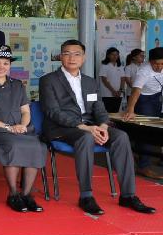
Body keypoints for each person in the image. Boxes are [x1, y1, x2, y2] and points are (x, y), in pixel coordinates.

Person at [39, 39, 155, 215]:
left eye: (77, 54)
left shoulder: (90, 82)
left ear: (83, 58)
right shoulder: (48, 80)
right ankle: (86, 196)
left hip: (91, 126)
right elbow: (53, 112)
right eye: (67, 53)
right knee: (85, 137)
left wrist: (102, 126)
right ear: (60, 57)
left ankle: (128, 195)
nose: (72, 58)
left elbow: (99, 108)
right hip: (62, 128)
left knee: (121, 136)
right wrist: (85, 128)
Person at [0, 46, 46, 213]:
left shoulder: (18, 85)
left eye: (6, 63)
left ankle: (26, 195)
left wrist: (23, 126)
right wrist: (7, 127)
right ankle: (13, 194)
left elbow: (26, 111)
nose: (1, 67)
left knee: (37, 145)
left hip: (20, 129)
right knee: (13, 145)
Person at [122, 47, 163, 179]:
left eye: (162, 63)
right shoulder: (144, 72)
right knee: (148, 132)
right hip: (144, 99)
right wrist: (130, 110)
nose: (159, 67)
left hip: (157, 96)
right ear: (150, 62)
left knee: (155, 130)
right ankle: (143, 166)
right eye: (156, 63)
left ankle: (147, 157)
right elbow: (136, 91)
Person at [98, 47, 124, 113]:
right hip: (107, 94)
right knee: (107, 113)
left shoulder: (120, 66)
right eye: (113, 54)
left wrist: (120, 90)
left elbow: (123, 79)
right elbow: (104, 80)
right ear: (108, 55)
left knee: (116, 112)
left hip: (118, 94)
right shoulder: (104, 65)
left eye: (116, 54)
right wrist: (113, 91)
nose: (115, 56)